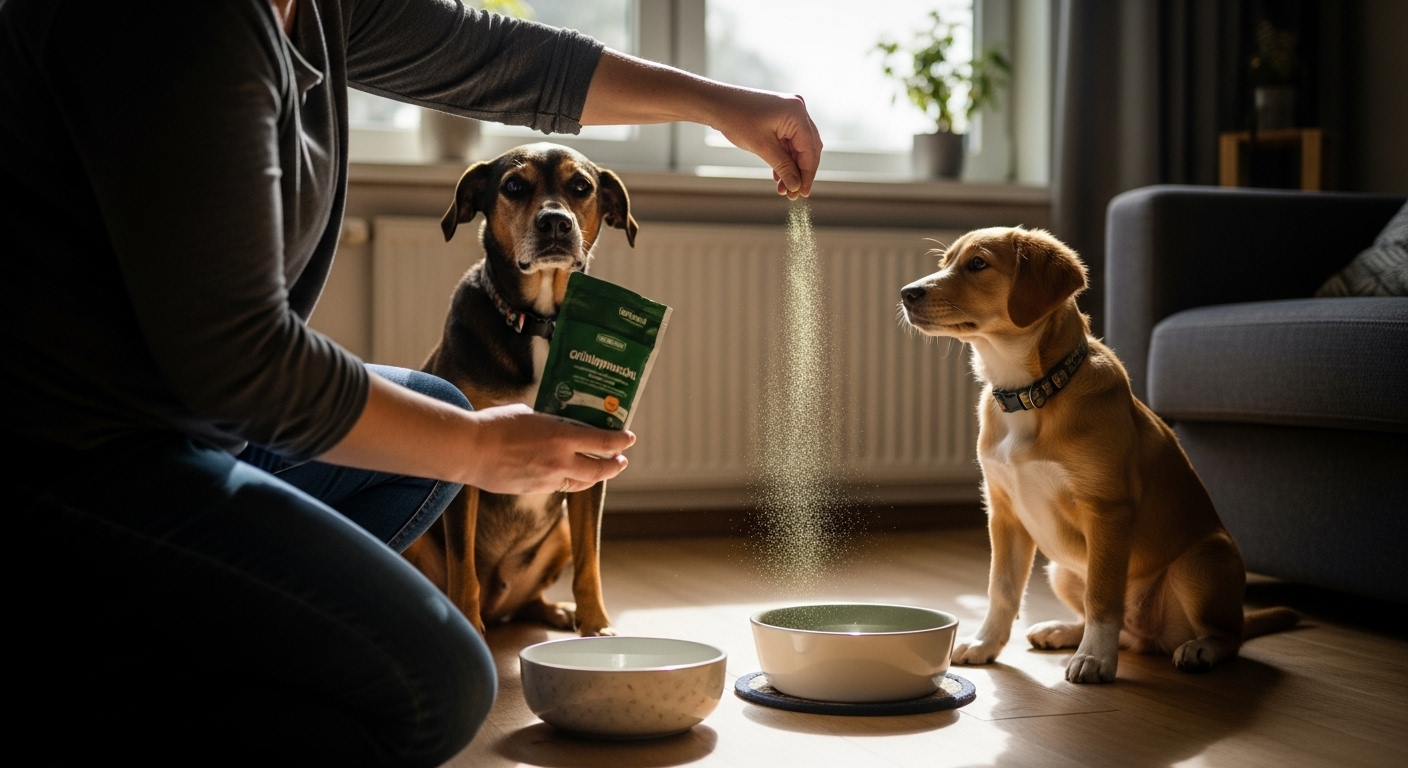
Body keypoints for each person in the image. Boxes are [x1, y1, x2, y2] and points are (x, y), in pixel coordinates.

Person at [0, 0, 821, 764]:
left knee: (434, 406)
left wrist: (723, 106)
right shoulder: (176, 22)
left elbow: (506, 60)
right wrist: (473, 449)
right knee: (443, 688)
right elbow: (239, 359)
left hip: (197, 431)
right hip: (74, 456)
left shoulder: (322, 10)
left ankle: (186, 618)